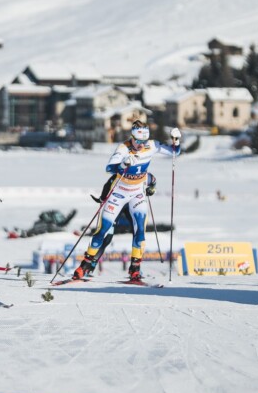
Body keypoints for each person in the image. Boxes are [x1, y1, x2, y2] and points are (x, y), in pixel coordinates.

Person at [73, 120, 181, 282]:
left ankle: (135, 270)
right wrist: (123, 164)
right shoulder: (123, 148)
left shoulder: (151, 146)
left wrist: (176, 140)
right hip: (119, 193)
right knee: (103, 231)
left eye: (143, 141)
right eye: (137, 141)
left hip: (137, 194)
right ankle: (85, 265)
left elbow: (175, 152)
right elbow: (109, 168)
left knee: (140, 231)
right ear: (132, 137)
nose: (140, 145)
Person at [85, 172, 157, 276]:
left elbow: (153, 182)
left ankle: (135, 268)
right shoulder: (120, 175)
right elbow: (107, 185)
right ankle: (90, 266)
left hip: (132, 207)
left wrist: (151, 190)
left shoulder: (142, 174)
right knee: (107, 237)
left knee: (138, 233)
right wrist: (102, 198)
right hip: (117, 207)